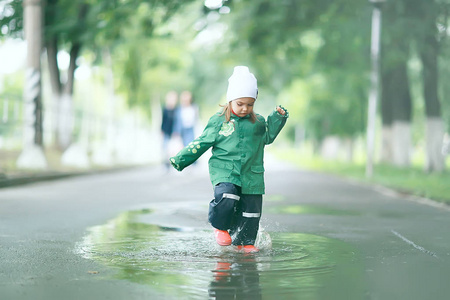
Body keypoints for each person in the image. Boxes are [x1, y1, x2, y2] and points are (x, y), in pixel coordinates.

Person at [169, 66, 288, 253]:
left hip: (251, 173)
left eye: (250, 104)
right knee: (227, 195)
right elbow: (201, 142)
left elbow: (267, 138)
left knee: (251, 210)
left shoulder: (257, 123)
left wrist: (277, 118)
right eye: (240, 103)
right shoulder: (218, 121)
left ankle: (245, 242)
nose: (245, 108)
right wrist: (181, 159)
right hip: (225, 170)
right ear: (230, 99)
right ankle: (220, 226)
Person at [161, 91, 178, 169]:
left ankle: (174, 165)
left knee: (173, 150)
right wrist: (162, 130)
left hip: (174, 132)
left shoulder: (177, 110)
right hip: (166, 131)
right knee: (165, 149)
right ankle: (166, 166)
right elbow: (163, 120)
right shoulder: (165, 109)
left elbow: (177, 121)